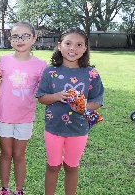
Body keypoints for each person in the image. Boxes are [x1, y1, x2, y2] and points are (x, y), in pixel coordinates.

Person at [36, 27, 104, 195]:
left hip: (79, 130)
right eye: (68, 43)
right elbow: (41, 98)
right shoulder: (50, 71)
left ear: (85, 48)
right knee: (53, 166)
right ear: (59, 46)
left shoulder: (91, 74)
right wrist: (57, 96)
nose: (73, 48)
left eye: (79, 44)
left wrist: (83, 107)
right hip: (54, 128)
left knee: (71, 167)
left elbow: (97, 101)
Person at [0, 21, 47, 195]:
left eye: (25, 36)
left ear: (34, 39)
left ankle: (19, 190)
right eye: (16, 36)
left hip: (25, 117)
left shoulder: (40, 65)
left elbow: (44, 91)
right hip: (3, 115)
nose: (20, 40)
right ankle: (4, 188)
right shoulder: (3, 61)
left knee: (19, 155)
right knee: (6, 154)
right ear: (10, 40)